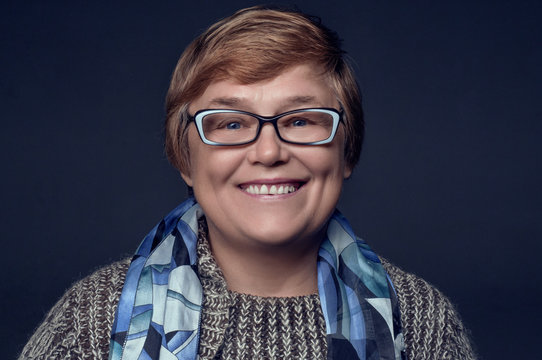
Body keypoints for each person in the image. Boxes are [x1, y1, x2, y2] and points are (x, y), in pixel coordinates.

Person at [19, 5, 476, 360]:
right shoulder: (90, 321)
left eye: (300, 120)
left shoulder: (420, 321)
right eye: (231, 124)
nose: (269, 151)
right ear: (186, 158)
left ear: (346, 150)